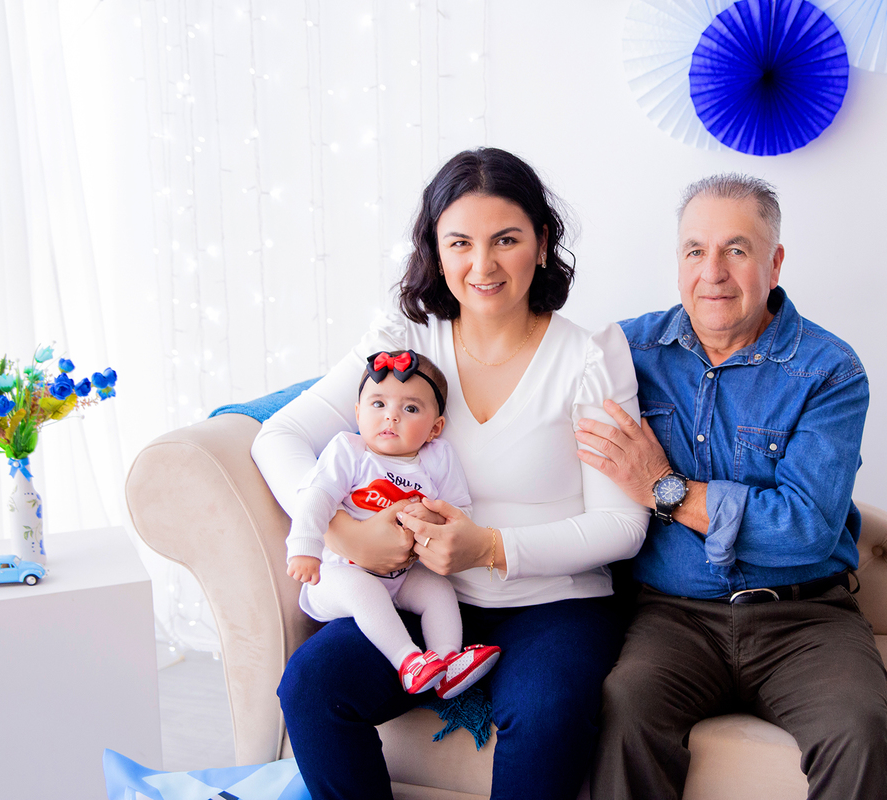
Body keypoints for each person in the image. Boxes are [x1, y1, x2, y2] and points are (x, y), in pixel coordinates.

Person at [251, 147, 648, 800]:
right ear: (435, 252)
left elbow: (624, 525)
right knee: (312, 686)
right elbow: (279, 436)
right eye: (460, 243)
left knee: (546, 713)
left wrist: (490, 547)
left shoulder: (588, 358)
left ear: (542, 243)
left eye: (506, 240)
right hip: (418, 598)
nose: (482, 266)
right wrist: (343, 532)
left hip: (554, 605)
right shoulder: (406, 344)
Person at [577, 174, 887, 800]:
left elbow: (807, 528)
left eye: (736, 249)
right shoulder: (626, 352)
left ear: (774, 262)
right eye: (695, 250)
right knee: (623, 712)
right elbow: (528, 382)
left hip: (806, 619)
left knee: (857, 734)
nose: (713, 273)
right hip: (673, 617)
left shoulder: (829, 370)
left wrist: (666, 488)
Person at [284, 350, 501, 700]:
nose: (391, 416)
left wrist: (433, 519)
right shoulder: (350, 451)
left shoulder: (438, 459)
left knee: (438, 590)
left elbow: (459, 511)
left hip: (403, 575)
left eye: (410, 408)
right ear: (358, 413)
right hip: (338, 575)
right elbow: (315, 497)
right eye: (378, 404)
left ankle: (447, 661)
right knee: (363, 589)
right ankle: (408, 661)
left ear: (435, 428)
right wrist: (304, 548)